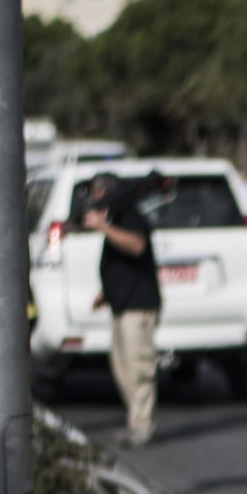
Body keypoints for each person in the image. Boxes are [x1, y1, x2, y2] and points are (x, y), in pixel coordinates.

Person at [82, 172, 161, 447]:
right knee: (121, 368)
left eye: (95, 192)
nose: (92, 198)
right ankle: (134, 421)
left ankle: (143, 425)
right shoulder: (118, 219)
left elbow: (136, 246)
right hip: (121, 303)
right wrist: (106, 292)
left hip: (138, 305)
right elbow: (121, 264)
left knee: (139, 367)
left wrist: (102, 227)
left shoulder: (131, 217)